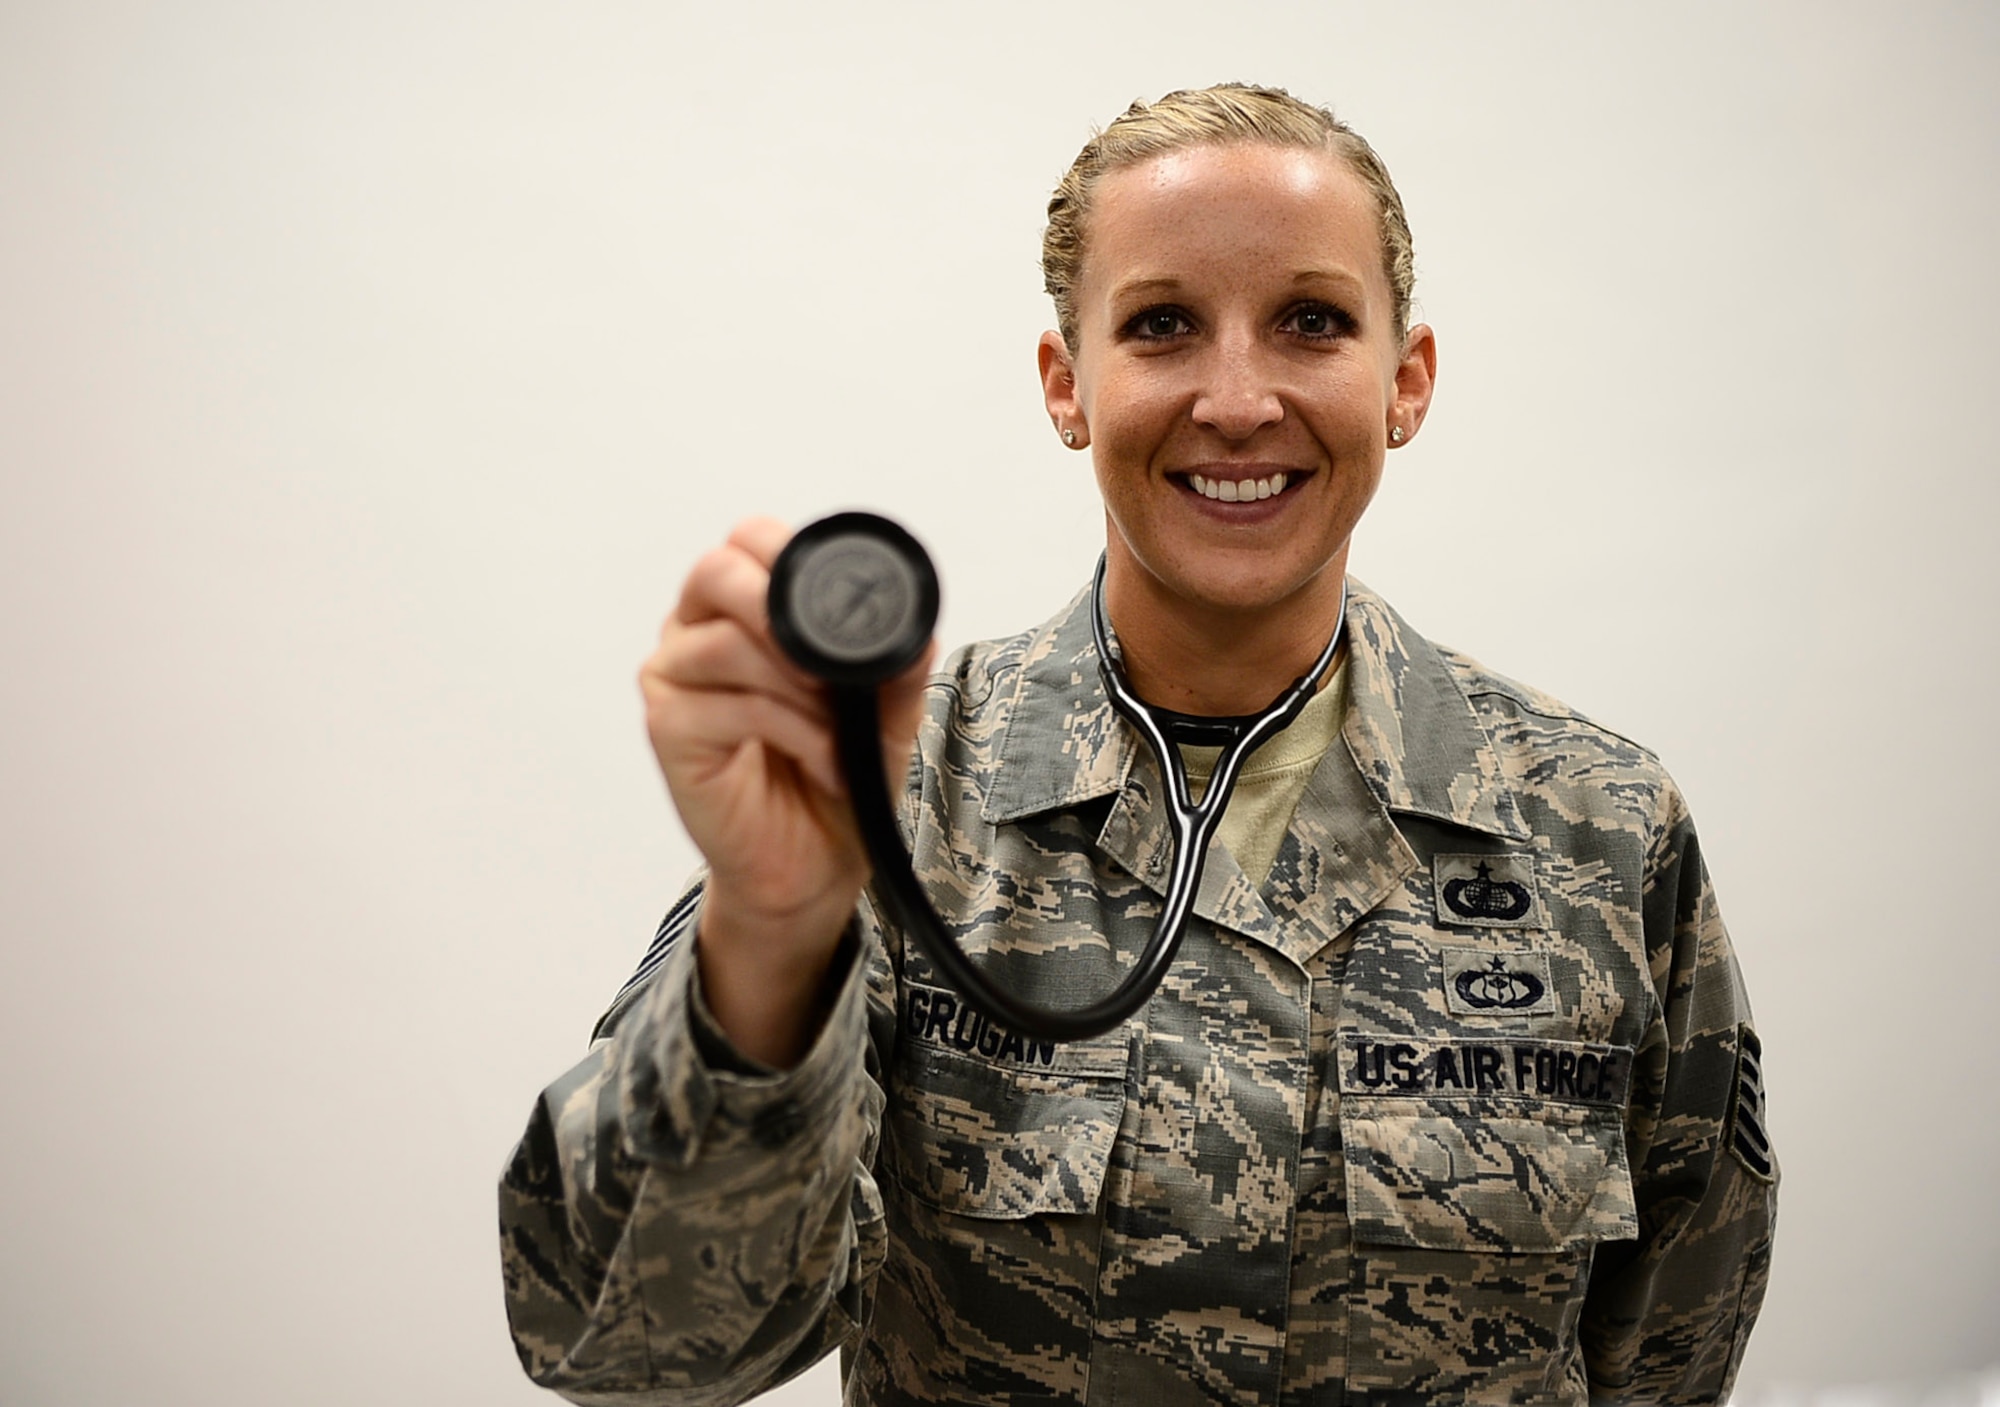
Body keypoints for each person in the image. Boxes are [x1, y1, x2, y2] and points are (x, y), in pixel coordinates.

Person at [500, 83, 1777, 1405]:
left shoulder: (1600, 825)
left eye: (1312, 323)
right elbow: (623, 1348)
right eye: (1162, 325)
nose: (1236, 400)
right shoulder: (888, 804)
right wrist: (772, 925)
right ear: (1069, 385)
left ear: (1406, 382)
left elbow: (1668, 1355)